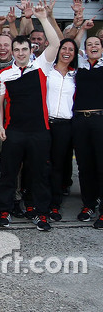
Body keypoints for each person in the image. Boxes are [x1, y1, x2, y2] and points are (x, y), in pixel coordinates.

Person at [0, 2, 60, 231]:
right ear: (12, 53)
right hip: (14, 131)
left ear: (31, 51)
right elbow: (1, 102)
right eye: (17, 50)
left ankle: (41, 213)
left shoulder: (42, 67)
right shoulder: (4, 74)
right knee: (8, 173)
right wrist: (2, 127)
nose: (21, 53)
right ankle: (4, 210)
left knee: (40, 174)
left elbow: (55, 43)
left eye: (24, 50)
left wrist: (43, 17)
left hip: (39, 131)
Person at [71, 35, 103, 228]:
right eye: (89, 44)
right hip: (80, 121)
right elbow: (67, 43)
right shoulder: (79, 66)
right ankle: (88, 204)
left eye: (96, 44)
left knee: (102, 165)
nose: (93, 47)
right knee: (84, 166)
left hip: (100, 120)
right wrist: (81, 26)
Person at [46, 39, 77, 221]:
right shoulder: (47, 71)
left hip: (65, 125)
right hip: (45, 123)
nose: (67, 52)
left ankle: (54, 205)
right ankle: (36, 201)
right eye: (63, 48)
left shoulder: (76, 75)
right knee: (42, 164)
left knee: (58, 166)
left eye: (71, 49)